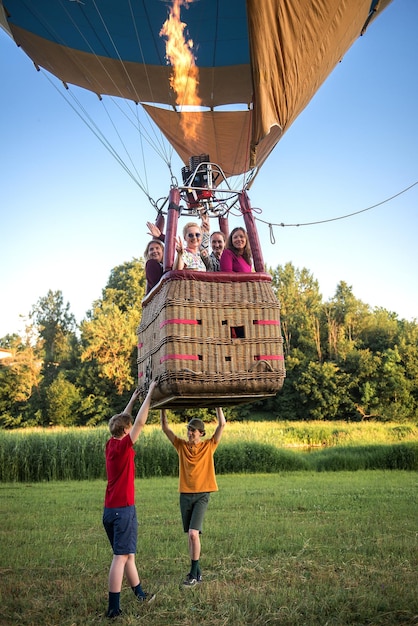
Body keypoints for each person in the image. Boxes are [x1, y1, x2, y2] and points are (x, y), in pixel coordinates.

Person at [103, 382, 157, 619]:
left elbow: (124, 421)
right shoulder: (124, 446)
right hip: (122, 511)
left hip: (112, 510)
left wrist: (133, 398)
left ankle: (140, 595)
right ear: (125, 432)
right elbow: (139, 423)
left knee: (128, 555)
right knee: (120, 558)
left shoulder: (110, 444)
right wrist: (151, 392)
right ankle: (113, 609)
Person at [160, 407, 226, 586]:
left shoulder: (209, 446)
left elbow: (222, 425)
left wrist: (218, 407)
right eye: (188, 430)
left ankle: (193, 575)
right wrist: (163, 408)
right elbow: (165, 428)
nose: (189, 433)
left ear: (201, 433)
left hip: (202, 495)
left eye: (193, 431)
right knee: (190, 536)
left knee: (193, 533)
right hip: (185, 495)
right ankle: (197, 571)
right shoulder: (181, 445)